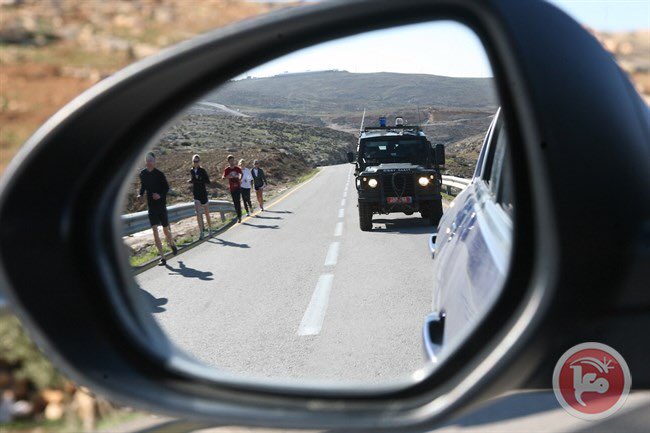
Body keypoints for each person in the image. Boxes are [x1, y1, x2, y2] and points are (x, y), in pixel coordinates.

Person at [138, 152, 177, 265]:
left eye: (151, 160)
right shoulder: (143, 174)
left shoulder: (159, 174)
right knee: (155, 231)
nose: (149, 162)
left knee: (165, 231)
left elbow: (166, 188)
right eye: (147, 160)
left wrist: (159, 195)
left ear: (155, 161)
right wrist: (140, 194)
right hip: (151, 207)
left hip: (161, 206)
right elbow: (143, 186)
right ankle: (163, 257)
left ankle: (172, 244)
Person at [188, 154, 212, 239]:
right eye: (194, 161)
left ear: (199, 162)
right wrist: (191, 181)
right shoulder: (191, 170)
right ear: (192, 162)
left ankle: (210, 229)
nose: (195, 163)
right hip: (196, 193)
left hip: (203, 193)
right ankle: (201, 232)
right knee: (198, 213)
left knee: (206, 213)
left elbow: (208, 181)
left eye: (197, 161)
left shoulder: (202, 170)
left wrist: (199, 179)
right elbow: (193, 179)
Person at [222, 155, 243, 223]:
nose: (232, 162)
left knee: (238, 201)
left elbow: (241, 174)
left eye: (233, 160)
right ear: (228, 161)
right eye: (230, 161)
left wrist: (240, 178)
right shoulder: (227, 170)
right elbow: (223, 177)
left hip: (238, 187)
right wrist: (226, 177)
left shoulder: (237, 168)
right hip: (232, 188)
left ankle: (239, 216)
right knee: (235, 202)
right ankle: (238, 214)